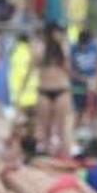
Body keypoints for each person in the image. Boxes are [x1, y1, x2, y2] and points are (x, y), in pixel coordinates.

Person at [31, 23, 73, 157]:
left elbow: (68, 69)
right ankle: (47, 152)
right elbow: (33, 67)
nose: (59, 35)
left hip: (61, 89)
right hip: (44, 89)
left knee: (61, 126)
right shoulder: (40, 48)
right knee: (44, 125)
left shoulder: (64, 49)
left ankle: (63, 153)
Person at [71, 29, 97, 128]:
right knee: (76, 110)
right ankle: (75, 128)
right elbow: (68, 68)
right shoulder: (72, 49)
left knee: (90, 109)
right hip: (76, 85)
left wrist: (95, 79)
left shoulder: (95, 48)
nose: (84, 47)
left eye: (86, 44)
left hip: (91, 84)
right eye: (82, 45)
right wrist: (80, 78)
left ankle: (85, 128)